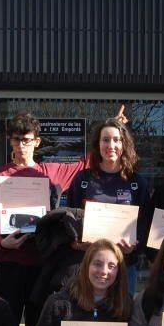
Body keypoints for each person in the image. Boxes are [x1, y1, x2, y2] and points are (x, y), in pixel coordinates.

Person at [0, 112, 88, 326]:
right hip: (9, 261)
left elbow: (87, 161)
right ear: (10, 140)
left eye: (26, 139)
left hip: (43, 262)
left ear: (37, 141)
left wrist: (114, 125)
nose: (21, 145)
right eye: (16, 139)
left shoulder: (51, 172)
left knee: (39, 325)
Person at [65, 117, 149, 293]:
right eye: (106, 140)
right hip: (88, 264)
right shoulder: (83, 179)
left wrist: (134, 245)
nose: (111, 145)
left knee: (121, 315)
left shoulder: (136, 182)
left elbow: (144, 223)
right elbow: (69, 218)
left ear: (124, 144)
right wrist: (76, 242)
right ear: (98, 144)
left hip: (124, 264)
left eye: (117, 140)